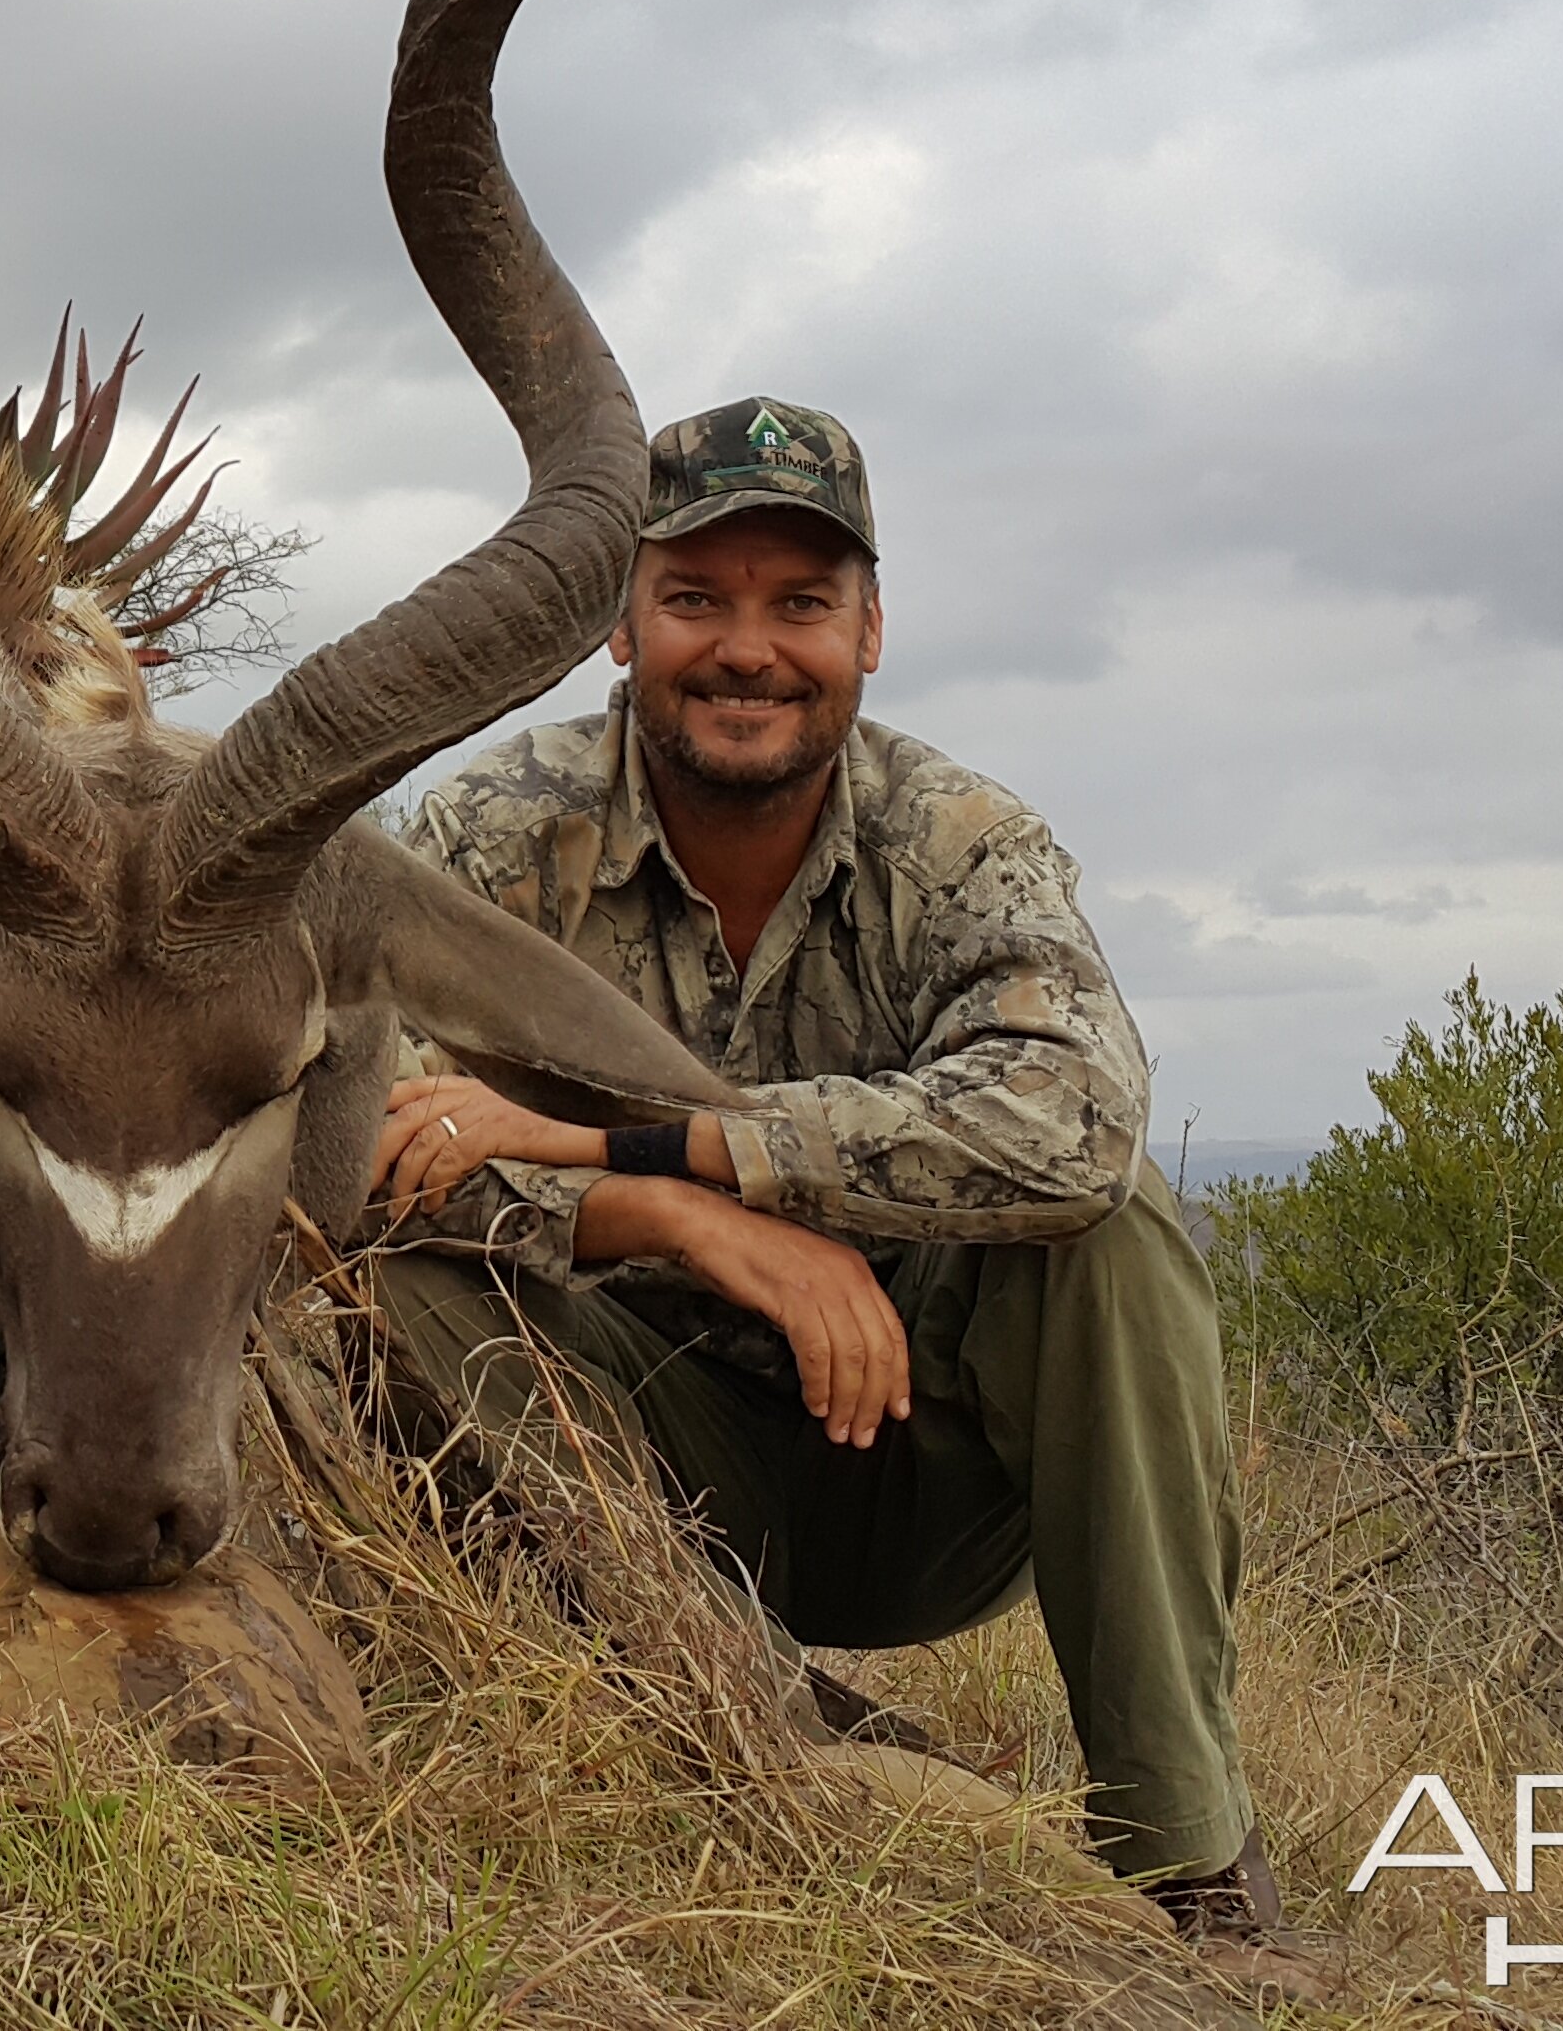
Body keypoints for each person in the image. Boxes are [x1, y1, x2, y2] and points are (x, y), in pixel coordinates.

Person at [359, 395, 1273, 1939]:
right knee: (392, 1288)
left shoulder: (962, 840)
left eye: (801, 604)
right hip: (625, 1464)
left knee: (1113, 1239)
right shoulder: (489, 836)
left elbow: (1072, 1124)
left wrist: (685, 1154)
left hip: (919, 1458)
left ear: (868, 632)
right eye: (697, 599)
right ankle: (755, 1734)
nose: (747, 649)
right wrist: (680, 1223)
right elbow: (375, 1149)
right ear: (622, 630)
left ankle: (1190, 1865)